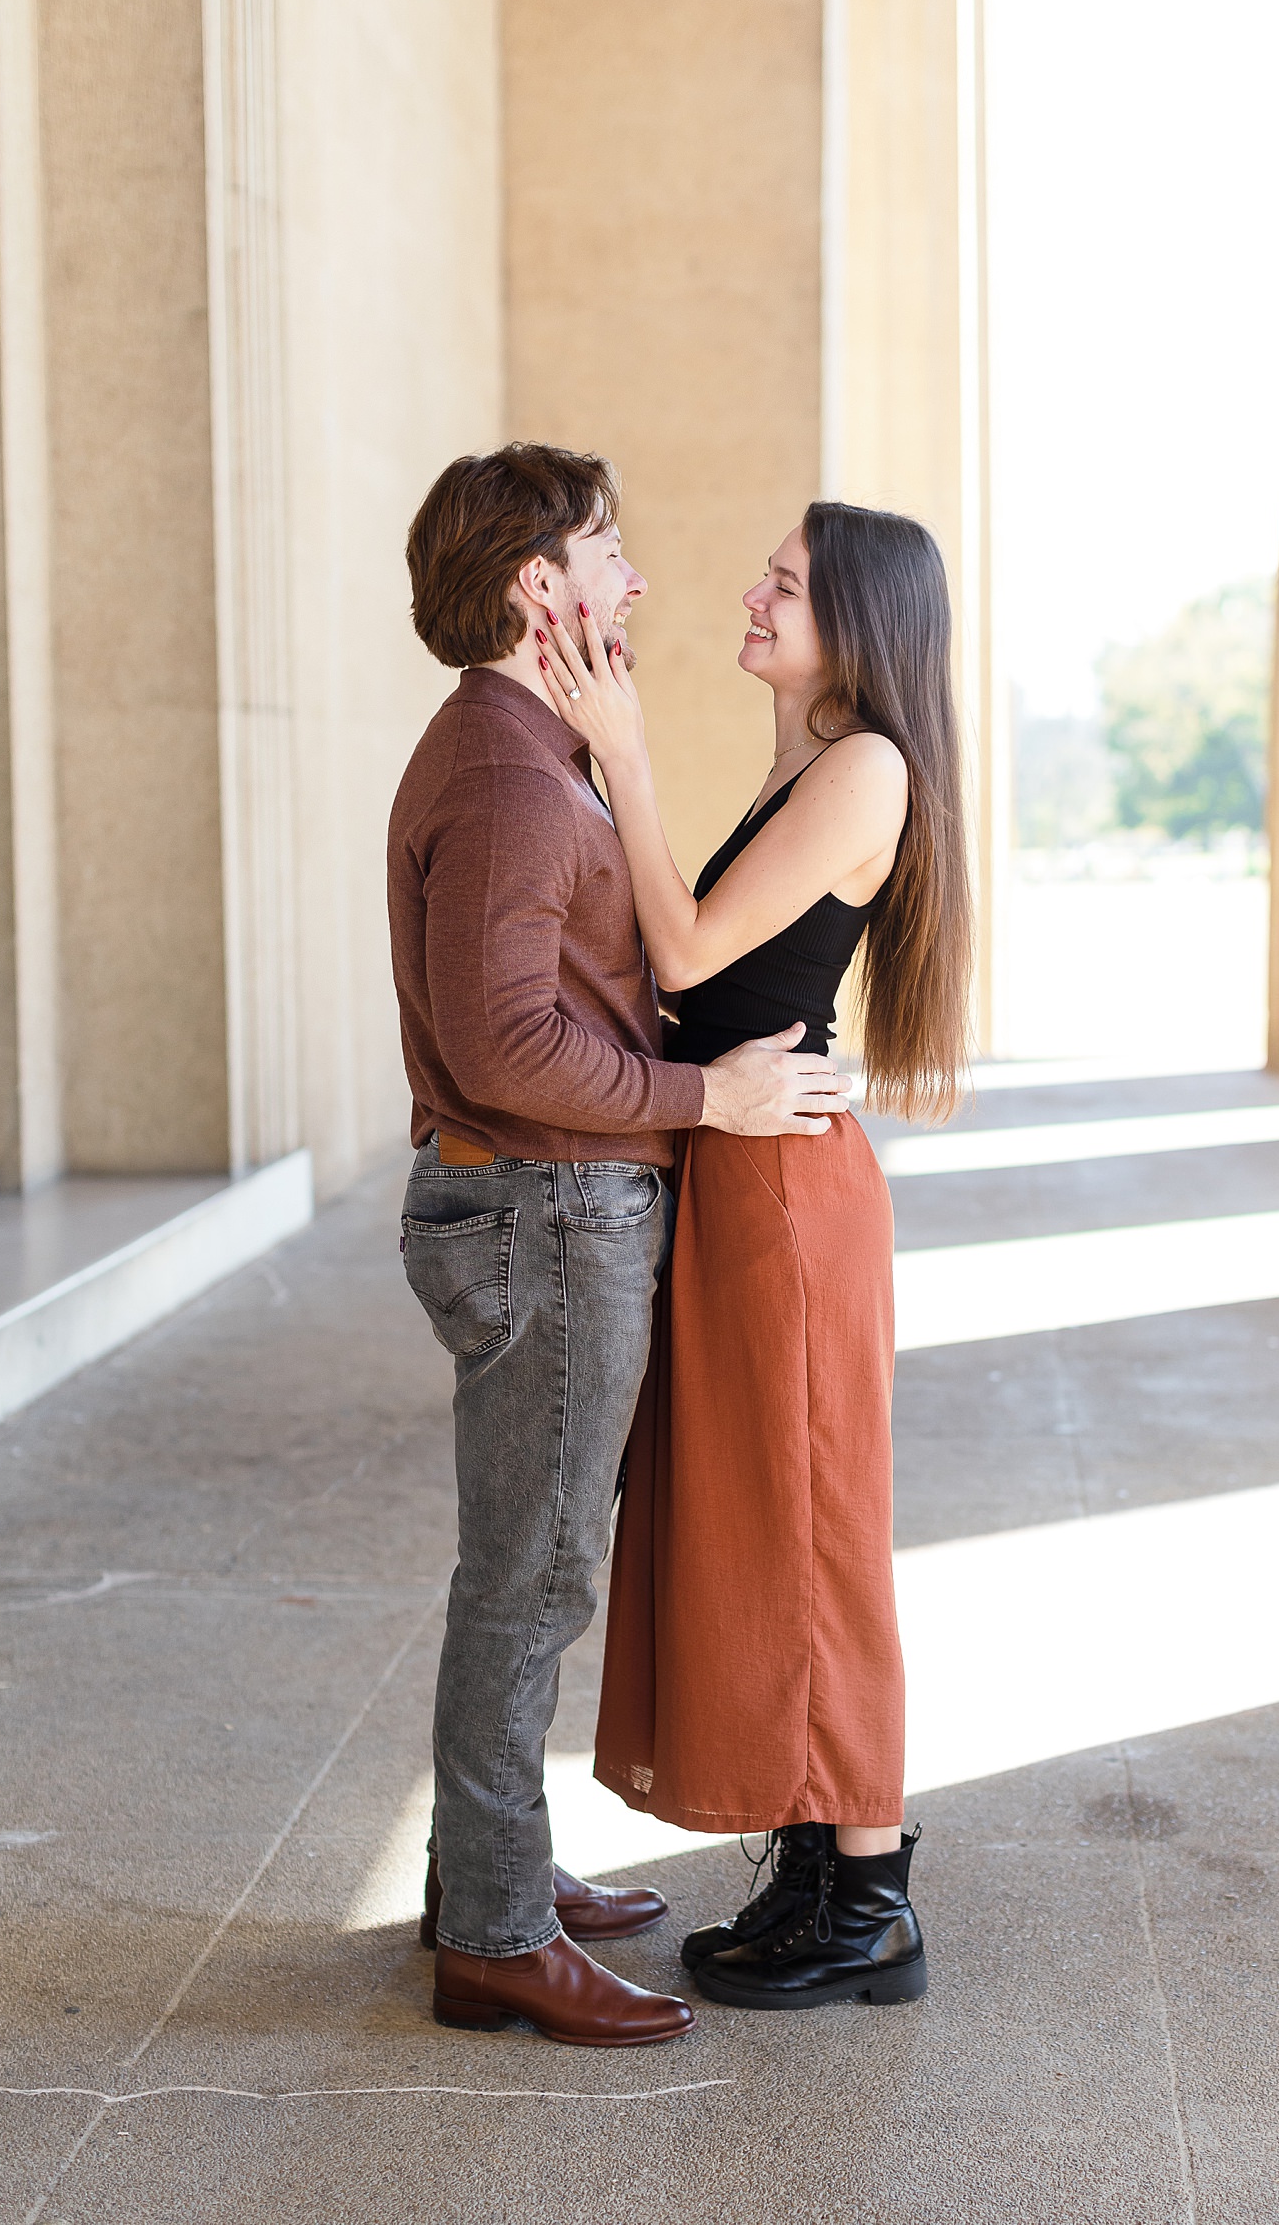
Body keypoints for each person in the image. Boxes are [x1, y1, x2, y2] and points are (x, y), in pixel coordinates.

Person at [387, 444, 853, 2048]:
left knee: (521, 1564)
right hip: (546, 1207)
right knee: (532, 1576)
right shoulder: (515, 779)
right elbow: (508, 1040)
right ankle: (498, 1936)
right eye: (607, 551)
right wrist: (704, 1094)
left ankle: (484, 1872)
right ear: (540, 589)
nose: (638, 579)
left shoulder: (520, 744)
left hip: (543, 1204)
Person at [535, 499, 973, 2011]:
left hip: (787, 1205)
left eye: (782, 582)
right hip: (751, 1178)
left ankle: (871, 1902)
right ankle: (819, 1864)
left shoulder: (864, 764)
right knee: (773, 1526)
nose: (750, 593)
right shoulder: (814, 756)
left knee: (818, 1535)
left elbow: (690, 954)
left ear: (855, 620)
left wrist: (625, 750)